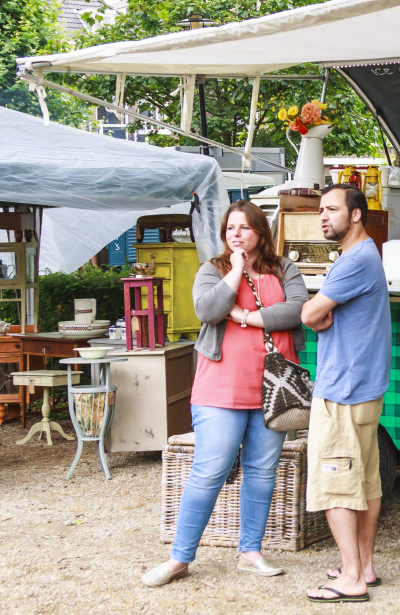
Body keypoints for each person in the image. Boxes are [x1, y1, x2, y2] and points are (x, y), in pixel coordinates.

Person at [142, 201, 308, 587]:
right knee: (209, 471)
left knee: (262, 472)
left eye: (245, 228)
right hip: (220, 389)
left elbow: (298, 309)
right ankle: (179, 558)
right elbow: (208, 310)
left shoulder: (284, 268)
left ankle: (250, 552)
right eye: (231, 227)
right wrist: (235, 271)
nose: (236, 233)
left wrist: (245, 316)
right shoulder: (212, 269)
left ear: (260, 233)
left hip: (275, 388)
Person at [301, 185, 392, 604]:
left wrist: (321, 317)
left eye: (332, 209)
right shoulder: (367, 253)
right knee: (367, 482)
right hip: (365, 387)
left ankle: (352, 578)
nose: (323, 216)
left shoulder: (353, 260)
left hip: (343, 388)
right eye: (321, 209)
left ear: (355, 215)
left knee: (338, 482)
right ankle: (366, 566)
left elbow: (309, 313)